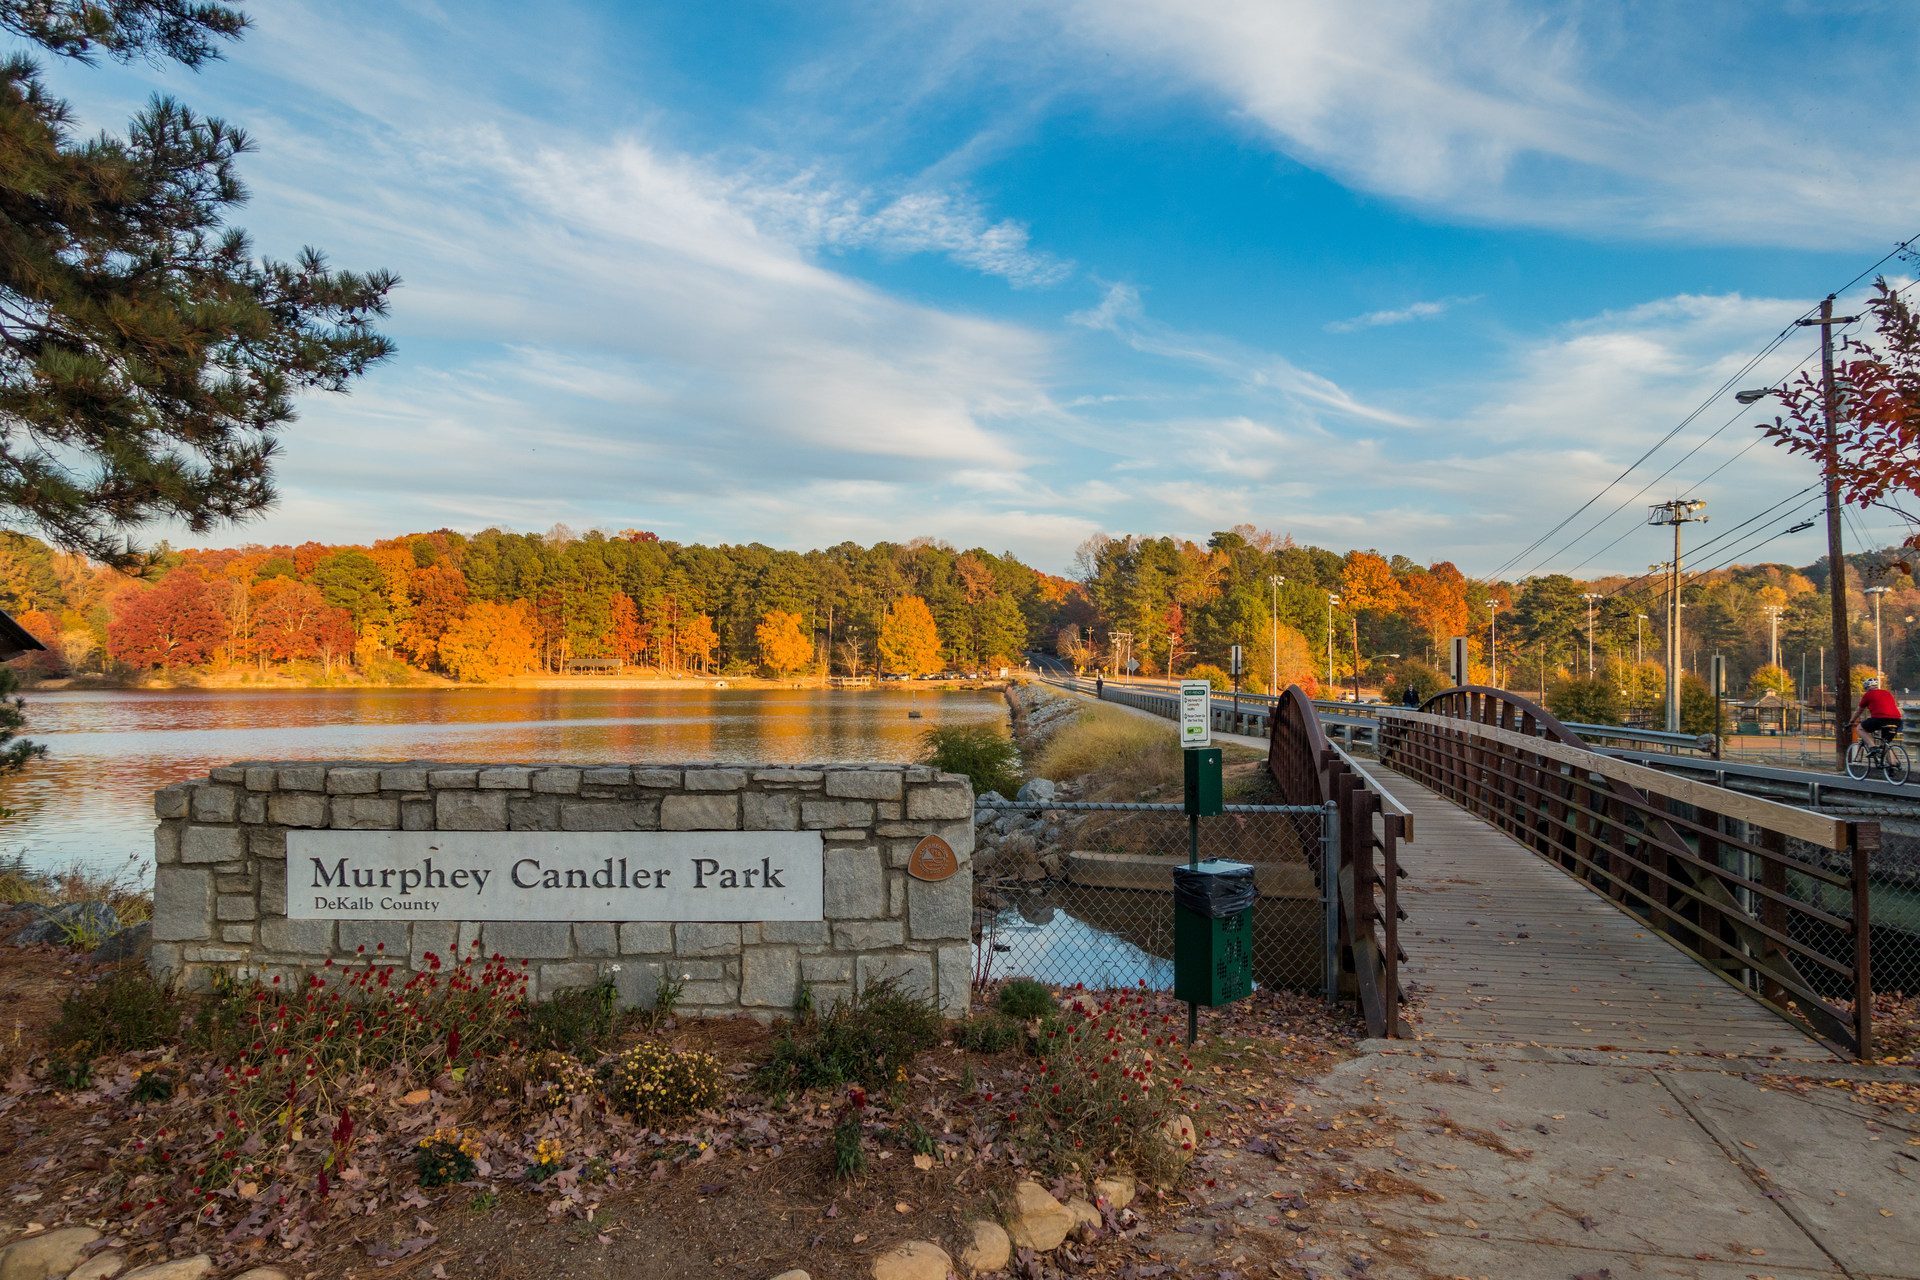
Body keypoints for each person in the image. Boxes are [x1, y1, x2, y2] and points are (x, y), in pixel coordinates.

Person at [1852, 677, 1903, 747]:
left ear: (1867, 688)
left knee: (1860, 728)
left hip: (1880, 719)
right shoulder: (1887, 693)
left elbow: (1858, 711)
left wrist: (1851, 721)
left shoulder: (1868, 694)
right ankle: (1888, 753)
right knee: (1885, 746)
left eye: (1865, 689)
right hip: (1897, 720)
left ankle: (1873, 747)